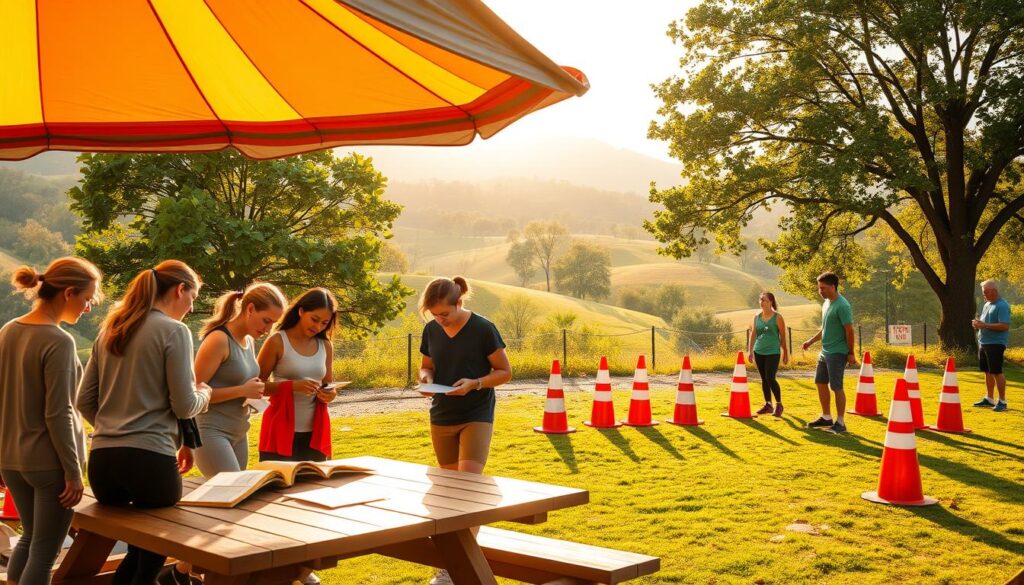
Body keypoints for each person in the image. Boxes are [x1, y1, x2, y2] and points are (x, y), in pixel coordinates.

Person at [77, 260, 212, 585]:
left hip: (103, 464)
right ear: (180, 290)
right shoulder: (173, 331)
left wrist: (114, 427)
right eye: (192, 299)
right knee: (157, 543)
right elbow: (184, 405)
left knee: (140, 547)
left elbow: (84, 401)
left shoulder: (111, 330)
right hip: (149, 460)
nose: (190, 309)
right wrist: (205, 393)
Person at [159, 283, 286, 585]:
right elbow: (192, 394)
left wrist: (252, 396)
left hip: (238, 432)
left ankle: (179, 572)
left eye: (274, 324)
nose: (268, 329)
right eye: (266, 321)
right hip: (210, 431)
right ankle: (206, 572)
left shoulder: (247, 342)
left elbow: (239, 385)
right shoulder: (218, 340)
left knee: (228, 506)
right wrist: (241, 390)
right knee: (233, 506)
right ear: (250, 309)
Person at [0, 257, 101, 585]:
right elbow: (58, 413)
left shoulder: (8, 330)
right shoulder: (58, 341)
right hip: (48, 462)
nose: (87, 309)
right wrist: (73, 473)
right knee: (45, 552)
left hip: (11, 460)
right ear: (68, 293)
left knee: (30, 540)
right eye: (87, 300)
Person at [416, 276, 511, 585]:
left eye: (445, 313)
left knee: (468, 487)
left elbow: (505, 371)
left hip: (477, 412)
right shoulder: (431, 330)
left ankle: (454, 568)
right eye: (435, 314)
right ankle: (453, 561)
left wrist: (476, 384)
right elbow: (426, 366)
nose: (440, 320)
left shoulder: (484, 328)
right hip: (442, 413)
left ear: (459, 303)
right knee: (449, 490)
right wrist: (426, 380)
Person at [257, 288, 339, 463]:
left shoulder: (325, 345)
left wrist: (330, 394)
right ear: (301, 311)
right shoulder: (277, 341)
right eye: (314, 319)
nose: (317, 327)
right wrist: (292, 386)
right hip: (279, 431)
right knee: (278, 487)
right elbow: (255, 388)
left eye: (324, 323)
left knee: (315, 487)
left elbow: (328, 385)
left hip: (315, 433)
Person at [801, 272, 856, 433]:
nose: (820, 291)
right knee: (820, 382)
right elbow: (825, 328)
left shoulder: (842, 305)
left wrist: (851, 353)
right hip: (825, 352)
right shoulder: (826, 303)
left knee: (836, 386)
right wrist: (811, 341)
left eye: (823, 288)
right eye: (819, 288)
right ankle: (826, 417)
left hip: (838, 352)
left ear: (833, 286)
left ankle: (840, 422)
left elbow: (849, 331)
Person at [747, 291, 788, 417]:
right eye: (760, 300)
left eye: (764, 300)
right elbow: (753, 334)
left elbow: (783, 336)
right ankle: (768, 404)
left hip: (773, 352)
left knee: (770, 377)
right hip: (759, 351)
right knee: (764, 379)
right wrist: (750, 351)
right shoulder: (757, 316)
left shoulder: (778, 317)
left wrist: (785, 353)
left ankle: (779, 404)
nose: (761, 302)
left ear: (771, 302)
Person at [972, 279, 1011, 412]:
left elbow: (1004, 325)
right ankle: (989, 398)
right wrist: (978, 323)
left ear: (994, 291)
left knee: (996, 371)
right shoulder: (987, 304)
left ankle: (1002, 401)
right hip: (984, 343)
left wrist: (984, 325)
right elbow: (985, 322)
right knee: (987, 371)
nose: (983, 295)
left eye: (985, 292)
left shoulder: (1002, 305)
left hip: (995, 343)